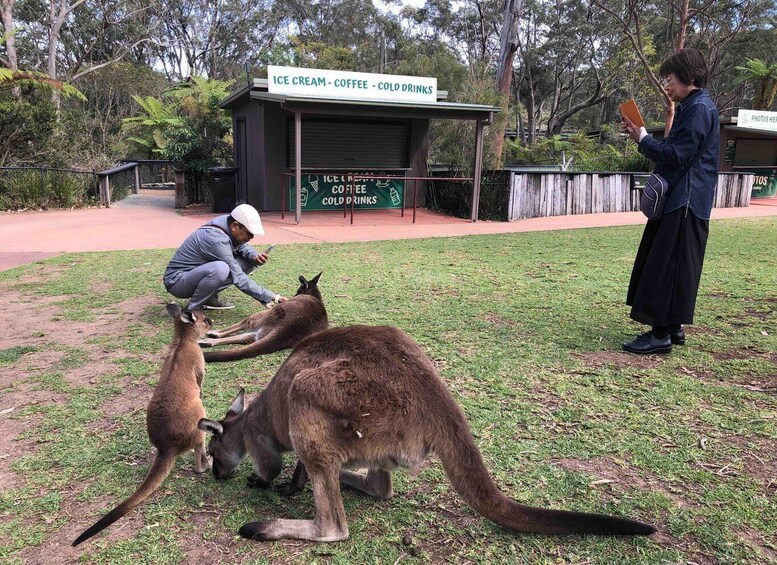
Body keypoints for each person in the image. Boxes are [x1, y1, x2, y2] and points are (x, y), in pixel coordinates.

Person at [620, 48, 720, 354]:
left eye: (671, 79)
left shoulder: (699, 109)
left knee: (668, 265)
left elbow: (678, 155)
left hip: (686, 200)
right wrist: (645, 137)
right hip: (684, 199)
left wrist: (644, 140)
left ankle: (660, 334)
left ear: (689, 78)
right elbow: (678, 149)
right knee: (671, 262)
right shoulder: (693, 106)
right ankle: (673, 327)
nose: (667, 85)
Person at [163, 204, 288, 311]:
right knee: (221, 269)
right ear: (235, 226)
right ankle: (191, 310)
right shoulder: (217, 240)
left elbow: (240, 245)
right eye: (249, 233)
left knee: (248, 262)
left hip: (194, 275)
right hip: (177, 282)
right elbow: (238, 277)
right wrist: (273, 297)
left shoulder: (226, 222)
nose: (252, 237)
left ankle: (208, 299)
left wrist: (253, 256)